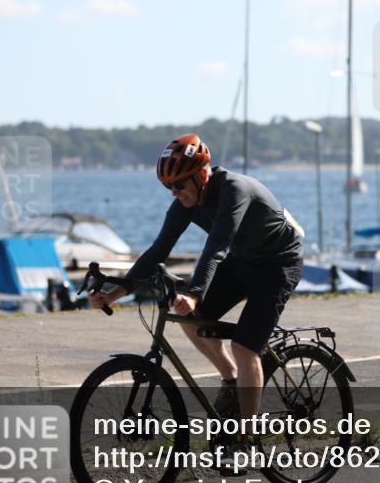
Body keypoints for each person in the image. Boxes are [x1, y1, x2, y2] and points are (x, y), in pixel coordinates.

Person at [90, 133, 304, 425]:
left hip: (278, 265)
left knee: (244, 347)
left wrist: (194, 292)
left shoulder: (234, 190)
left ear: (202, 174)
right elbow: (158, 249)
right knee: (194, 319)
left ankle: (246, 438)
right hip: (243, 260)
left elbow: (216, 247)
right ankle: (231, 380)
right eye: (168, 187)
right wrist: (116, 291)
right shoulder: (186, 203)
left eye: (179, 184)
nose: (175, 192)